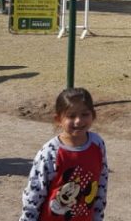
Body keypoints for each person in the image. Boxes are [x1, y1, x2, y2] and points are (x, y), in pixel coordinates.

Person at [20, 87, 108, 221]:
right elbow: (35, 192)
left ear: (93, 115)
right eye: (71, 116)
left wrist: (98, 216)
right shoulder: (50, 151)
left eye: (85, 114)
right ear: (58, 119)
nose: (78, 120)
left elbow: (101, 183)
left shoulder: (97, 144)